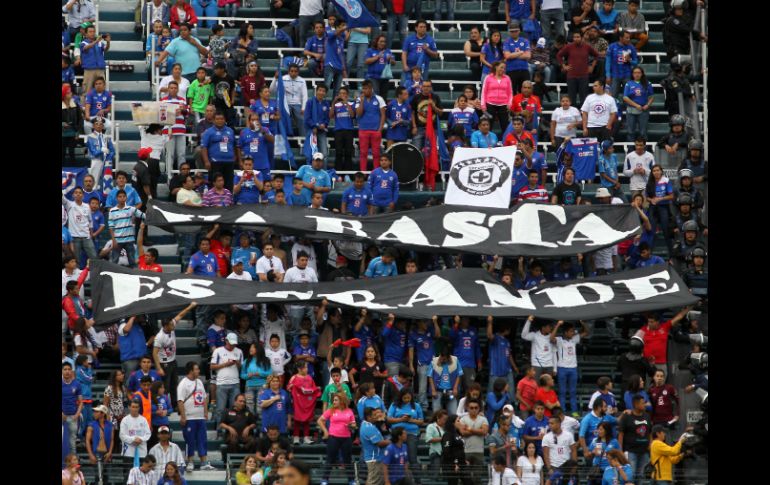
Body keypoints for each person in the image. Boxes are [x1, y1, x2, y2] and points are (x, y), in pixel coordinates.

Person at [177, 361, 214, 472]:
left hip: (200, 417)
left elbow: (204, 398)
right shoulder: (183, 383)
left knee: (202, 439)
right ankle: (190, 462)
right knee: (190, 440)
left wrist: (206, 412)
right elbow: (180, 401)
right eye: (196, 369)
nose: (198, 371)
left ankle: (204, 462)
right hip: (189, 418)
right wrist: (183, 417)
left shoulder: (199, 382)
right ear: (191, 371)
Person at [318, 393, 357, 485]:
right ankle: (324, 480)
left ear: (341, 401)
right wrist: (325, 431)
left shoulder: (349, 411)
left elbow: (354, 425)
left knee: (347, 460)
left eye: (336, 400)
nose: (333, 402)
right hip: (333, 438)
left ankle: (351, 480)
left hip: (346, 438)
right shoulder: (331, 410)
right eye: (333, 400)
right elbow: (320, 420)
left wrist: (351, 426)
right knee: (330, 459)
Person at [550, 321, 587, 417]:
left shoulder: (574, 339)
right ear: (565, 332)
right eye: (571, 331)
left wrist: (583, 324)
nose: (573, 333)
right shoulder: (559, 340)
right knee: (562, 391)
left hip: (573, 368)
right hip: (562, 368)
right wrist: (558, 325)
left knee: (573, 391)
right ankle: (562, 411)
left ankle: (574, 411)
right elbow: (551, 338)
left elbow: (586, 333)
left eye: (573, 331)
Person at [618, 393, 651, 482]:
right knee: (630, 477)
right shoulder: (627, 417)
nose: (645, 405)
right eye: (643, 403)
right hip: (631, 452)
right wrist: (620, 450)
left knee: (642, 477)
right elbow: (621, 434)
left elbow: (650, 432)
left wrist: (650, 445)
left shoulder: (647, 416)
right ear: (636, 404)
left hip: (644, 452)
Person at [411, 316, 443, 408]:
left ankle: (436, 407)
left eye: (427, 322)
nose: (426, 324)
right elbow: (411, 350)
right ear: (419, 323)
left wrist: (435, 322)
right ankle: (423, 407)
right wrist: (411, 365)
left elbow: (438, 335)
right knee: (422, 388)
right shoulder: (414, 334)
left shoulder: (430, 330)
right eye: (424, 322)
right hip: (422, 363)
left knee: (436, 385)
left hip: (433, 363)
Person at [201, 112, 237, 191]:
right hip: (215, 162)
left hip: (229, 162)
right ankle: (214, 202)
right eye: (217, 119)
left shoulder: (230, 131)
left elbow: (234, 145)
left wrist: (235, 156)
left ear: (225, 120)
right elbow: (204, 147)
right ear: (213, 120)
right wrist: (206, 161)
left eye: (221, 119)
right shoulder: (208, 132)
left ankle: (229, 202)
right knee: (214, 185)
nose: (219, 121)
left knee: (229, 185)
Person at [355, 80, 387, 171]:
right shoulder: (359, 99)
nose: (364, 90)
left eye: (366, 88)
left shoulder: (379, 99)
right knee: (363, 153)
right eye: (363, 88)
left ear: (371, 88)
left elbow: (383, 114)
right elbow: (359, 113)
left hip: (375, 130)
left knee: (376, 153)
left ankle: (376, 173)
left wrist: (380, 129)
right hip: (363, 130)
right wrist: (361, 101)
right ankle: (363, 173)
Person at [287, 360, 320, 444]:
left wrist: (317, 390)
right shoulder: (294, 377)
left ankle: (306, 437)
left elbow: (314, 388)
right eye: (305, 367)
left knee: (307, 420)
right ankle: (296, 437)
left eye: (307, 367)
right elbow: (288, 388)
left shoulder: (309, 377)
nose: (307, 369)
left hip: (307, 403)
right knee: (297, 420)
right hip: (297, 402)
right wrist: (291, 386)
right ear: (299, 369)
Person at [459, 398, 489, 485]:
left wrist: (469, 429)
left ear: (479, 408)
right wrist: (477, 430)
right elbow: (463, 433)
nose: (474, 410)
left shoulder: (483, 419)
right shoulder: (463, 419)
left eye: (476, 408)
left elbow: (484, 432)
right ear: (467, 408)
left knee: (477, 478)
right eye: (471, 408)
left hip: (479, 452)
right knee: (464, 478)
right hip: (465, 451)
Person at [78, 25, 110, 103]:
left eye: (93, 31)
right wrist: (96, 41)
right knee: (86, 91)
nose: (92, 33)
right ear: (85, 34)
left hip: (100, 69)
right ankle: (83, 110)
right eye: (90, 32)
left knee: (102, 91)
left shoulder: (99, 43)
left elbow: (105, 49)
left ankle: (101, 109)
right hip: (89, 70)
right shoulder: (83, 43)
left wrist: (108, 42)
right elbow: (86, 48)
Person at [481, 61, 513, 134]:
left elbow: (510, 92)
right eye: (501, 67)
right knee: (489, 126)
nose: (503, 70)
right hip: (490, 104)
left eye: (504, 68)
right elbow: (484, 92)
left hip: (503, 105)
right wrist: (483, 105)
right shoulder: (488, 77)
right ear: (496, 67)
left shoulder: (507, 78)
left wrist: (509, 104)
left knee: (505, 126)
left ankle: (505, 143)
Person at [503, 21, 531, 95]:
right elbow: (507, 56)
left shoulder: (525, 41)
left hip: (524, 69)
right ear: (509, 32)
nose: (514, 33)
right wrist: (520, 52)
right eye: (512, 31)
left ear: (519, 31)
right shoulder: (507, 41)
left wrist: (513, 54)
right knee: (512, 92)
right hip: (511, 70)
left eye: (515, 31)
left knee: (526, 92)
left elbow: (528, 55)